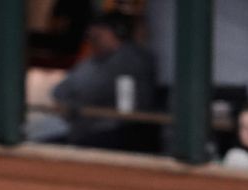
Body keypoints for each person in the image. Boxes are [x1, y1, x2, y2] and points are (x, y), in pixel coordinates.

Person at [29, 11, 156, 148]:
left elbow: (124, 107)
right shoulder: (94, 59)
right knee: (33, 135)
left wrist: (74, 104)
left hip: (111, 133)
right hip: (82, 128)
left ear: (115, 33)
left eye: (98, 35)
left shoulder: (130, 60)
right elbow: (60, 90)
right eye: (91, 36)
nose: (92, 40)